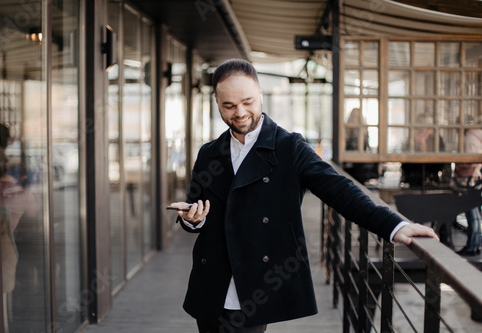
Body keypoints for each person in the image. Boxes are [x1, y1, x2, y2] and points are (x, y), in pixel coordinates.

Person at [169, 59, 438, 333]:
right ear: (216, 101)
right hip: (211, 280)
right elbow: (194, 208)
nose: (240, 112)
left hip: (253, 284)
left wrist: (393, 225)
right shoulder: (208, 153)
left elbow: (340, 190)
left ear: (260, 93)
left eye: (247, 101)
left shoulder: (289, 147)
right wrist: (193, 219)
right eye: (229, 105)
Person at [454, 128, 482, 256]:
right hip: (473, 178)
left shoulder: (469, 138)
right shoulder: (476, 136)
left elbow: (471, 158)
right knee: (474, 213)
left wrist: (458, 163)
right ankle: (475, 245)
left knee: (472, 213)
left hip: (467, 178)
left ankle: (472, 246)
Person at [342, 107, 380, 184]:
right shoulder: (346, 131)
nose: (354, 119)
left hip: (359, 162)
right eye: (353, 117)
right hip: (348, 160)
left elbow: (366, 147)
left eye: (356, 117)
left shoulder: (363, 131)